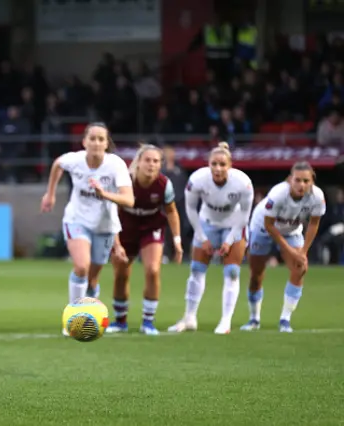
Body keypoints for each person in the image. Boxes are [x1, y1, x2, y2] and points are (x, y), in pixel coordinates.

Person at [40, 122, 134, 336]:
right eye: (92, 138)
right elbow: (57, 164)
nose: (96, 143)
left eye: (101, 139)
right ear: (84, 142)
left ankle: (89, 316)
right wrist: (50, 194)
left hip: (105, 227)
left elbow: (128, 200)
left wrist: (105, 194)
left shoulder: (115, 165)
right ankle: (73, 319)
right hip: (76, 220)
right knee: (81, 266)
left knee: (92, 279)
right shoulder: (75, 160)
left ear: (106, 144)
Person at [168, 142, 254, 334]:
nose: (217, 168)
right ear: (208, 164)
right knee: (197, 269)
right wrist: (201, 236)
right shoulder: (197, 179)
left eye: (222, 164)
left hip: (234, 225)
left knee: (232, 272)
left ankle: (225, 321)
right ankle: (189, 317)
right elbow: (190, 208)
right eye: (214, 164)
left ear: (230, 166)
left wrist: (230, 240)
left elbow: (244, 216)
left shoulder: (243, 183)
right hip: (207, 223)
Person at [107, 144, 184, 335]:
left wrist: (177, 240)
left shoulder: (164, 185)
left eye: (156, 161)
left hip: (152, 228)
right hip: (125, 228)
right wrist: (116, 243)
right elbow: (111, 213)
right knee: (121, 272)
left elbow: (172, 211)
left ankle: (148, 322)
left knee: (153, 269)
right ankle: (120, 321)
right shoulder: (126, 182)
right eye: (147, 160)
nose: (151, 164)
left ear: (160, 165)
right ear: (138, 163)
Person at [240, 162, 326, 333]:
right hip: (263, 228)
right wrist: (290, 251)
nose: (301, 185)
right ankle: (254, 318)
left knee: (300, 268)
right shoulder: (278, 194)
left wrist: (302, 252)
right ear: (290, 180)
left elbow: (314, 223)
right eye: (298, 180)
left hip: (292, 230)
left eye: (306, 181)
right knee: (256, 273)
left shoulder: (317, 197)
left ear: (312, 182)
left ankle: (285, 319)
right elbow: (269, 225)